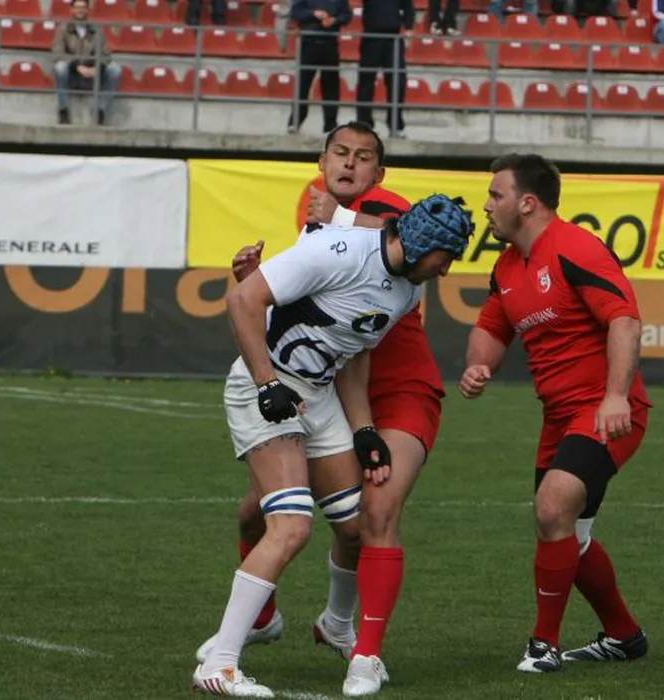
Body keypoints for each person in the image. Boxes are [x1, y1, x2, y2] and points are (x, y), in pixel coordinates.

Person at [196, 122, 451, 697]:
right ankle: (222, 663)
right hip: (272, 388)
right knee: (286, 527)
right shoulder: (333, 239)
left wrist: (363, 431)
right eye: (446, 256)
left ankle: (332, 623)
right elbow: (247, 301)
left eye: (362, 157)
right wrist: (266, 380)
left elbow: (351, 351)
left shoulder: (404, 283)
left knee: (355, 527)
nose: (448, 269)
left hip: (323, 394)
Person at [459, 153, 650, 674]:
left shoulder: (575, 247)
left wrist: (615, 396)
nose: (487, 205)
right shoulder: (506, 266)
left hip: (606, 409)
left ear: (527, 203)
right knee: (567, 534)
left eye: (495, 195)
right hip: (559, 417)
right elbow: (491, 329)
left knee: (551, 508)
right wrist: (477, 366)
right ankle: (624, 636)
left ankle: (543, 645)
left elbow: (625, 321)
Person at [50, 0, 121, 126]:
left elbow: (105, 54)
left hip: (92, 74)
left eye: (83, 7)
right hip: (72, 73)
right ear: (71, 10)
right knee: (60, 67)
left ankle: (100, 111)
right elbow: (58, 53)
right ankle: (63, 109)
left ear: (88, 10)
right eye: (77, 7)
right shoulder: (63, 29)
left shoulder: (96, 30)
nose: (80, 10)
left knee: (115, 69)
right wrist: (77, 66)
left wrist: (97, 68)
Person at [288, 0, 353, 134]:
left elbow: (347, 16)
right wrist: (313, 13)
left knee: (331, 87)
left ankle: (330, 125)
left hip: (330, 44)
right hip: (308, 43)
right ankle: (295, 122)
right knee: (303, 86)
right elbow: (295, 12)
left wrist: (334, 20)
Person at [356, 0, 413, 139]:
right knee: (366, 82)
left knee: (397, 82)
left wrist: (409, 25)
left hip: (393, 38)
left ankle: (395, 125)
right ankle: (364, 124)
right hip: (371, 37)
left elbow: (408, 6)